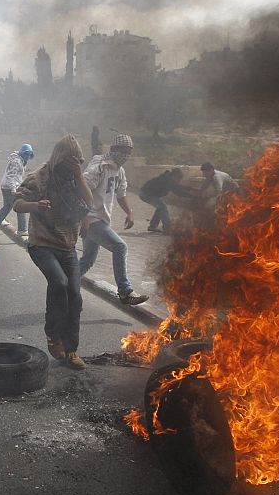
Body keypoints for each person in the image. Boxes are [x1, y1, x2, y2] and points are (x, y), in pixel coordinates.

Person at [14, 135, 94, 370]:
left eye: (77, 163)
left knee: (75, 295)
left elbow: (89, 202)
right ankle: (53, 336)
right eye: (69, 162)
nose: (73, 167)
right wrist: (36, 206)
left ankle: (71, 350)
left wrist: (80, 178)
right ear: (59, 158)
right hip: (42, 243)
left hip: (67, 246)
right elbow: (17, 204)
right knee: (59, 283)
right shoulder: (41, 176)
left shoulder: (76, 177)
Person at [79, 135, 149, 305]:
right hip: (92, 218)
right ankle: (125, 291)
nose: (125, 155)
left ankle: (66, 282)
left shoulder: (119, 170)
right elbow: (82, 189)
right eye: (123, 151)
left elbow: (121, 194)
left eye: (129, 152)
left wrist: (129, 212)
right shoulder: (100, 166)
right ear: (113, 149)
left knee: (88, 260)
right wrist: (84, 218)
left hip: (101, 219)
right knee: (120, 247)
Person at [0, 143, 34, 238]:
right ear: (23, 153)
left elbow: (17, 175)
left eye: (29, 155)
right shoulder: (16, 161)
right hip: (10, 187)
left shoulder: (20, 160)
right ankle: (22, 229)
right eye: (27, 154)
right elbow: (11, 176)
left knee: (7, 207)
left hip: (7, 186)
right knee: (20, 206)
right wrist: (14, 190)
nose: (28, 157)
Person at [138, 168, 192, 234]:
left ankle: (152, 226)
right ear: (174, 176)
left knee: (160, 207)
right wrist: (193, 196)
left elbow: (177, 186)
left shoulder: (168, 178)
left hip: (145, 193)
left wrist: (188, 188)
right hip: (146, 194)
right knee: (163, 207)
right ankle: (167, 228)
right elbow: (178, 192)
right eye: (179, 179)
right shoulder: (168, 181)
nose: (179, 181)